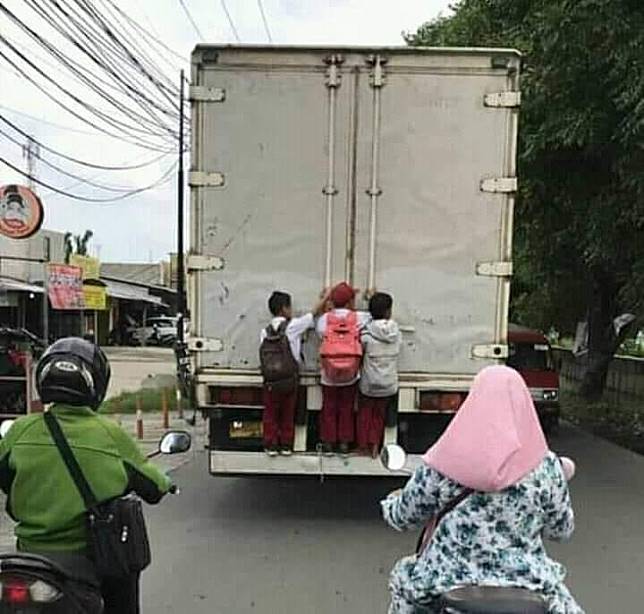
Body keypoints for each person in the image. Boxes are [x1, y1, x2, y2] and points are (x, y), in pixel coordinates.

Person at [381, 365, 584, 614]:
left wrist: (391, 505)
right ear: (524, 406)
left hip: (443, 581)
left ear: (473, 404)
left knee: (403, 592)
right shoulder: (547, 467)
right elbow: (561, 531)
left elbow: (404, 518)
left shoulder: (442, 461)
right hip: (528, 583)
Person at [0, 337, 172, 614]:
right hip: (85, 560)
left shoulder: (21, 430)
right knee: (124, 580)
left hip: (27, 557)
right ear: (97, 384)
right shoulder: (109, 433)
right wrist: (167, 484)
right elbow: (153, 485)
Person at [260, 290, 329, 456]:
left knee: (270, 413)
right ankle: (285, 444)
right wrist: (325, 299)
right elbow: (313, 314)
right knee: (287, 412)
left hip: (271, 380)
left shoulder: (265, 331)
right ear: (284, 309)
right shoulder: (292, 326)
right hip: (289, 378)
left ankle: (270, 444)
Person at [316, 282, 371, 456]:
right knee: (347, 407)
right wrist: (370, 297)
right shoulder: (359, 318)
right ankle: (345, 443)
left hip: (329, 374)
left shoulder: (325, 320)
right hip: (350, 373)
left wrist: (324, 303)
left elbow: (319, 333)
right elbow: (372, 317)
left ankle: (329, 442)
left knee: (329, 407)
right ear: (350, 302)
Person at [357, 292, 401, 458]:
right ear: (389, 311)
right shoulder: (396, 333)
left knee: (365, 414)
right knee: (379, 415)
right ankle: (375, 445)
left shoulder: (366, 335)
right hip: (388, 383)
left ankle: (362, 446)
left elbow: (360, 354)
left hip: (369, 384)